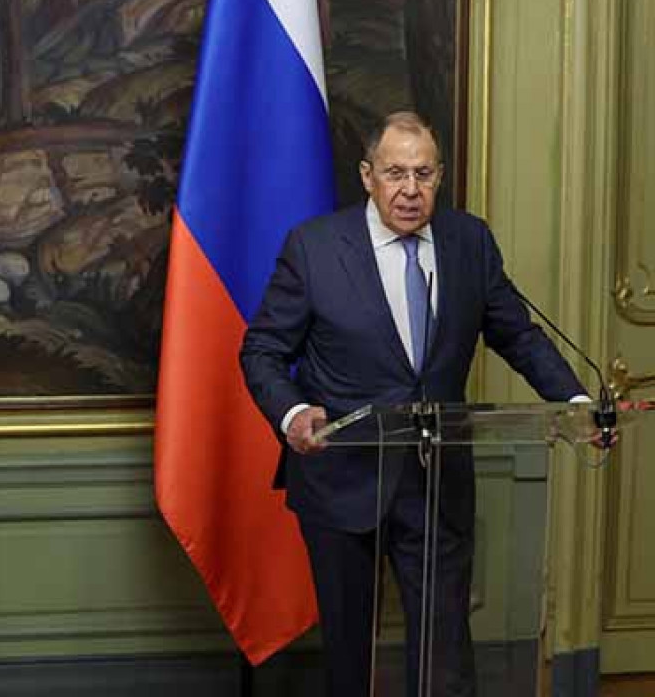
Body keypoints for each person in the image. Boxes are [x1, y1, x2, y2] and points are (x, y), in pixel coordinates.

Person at [240, 111, 588, 696]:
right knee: (350, 656)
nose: (409, 189)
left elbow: (519, 336)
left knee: (444, 656)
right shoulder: (314, 247)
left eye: (423, 174)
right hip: (341, 479)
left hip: (435, 482)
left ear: (440, 176)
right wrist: (294, 414)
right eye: (395, 173)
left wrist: (573, 400)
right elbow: (263, 351)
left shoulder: (469, 242)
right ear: (367, 176)